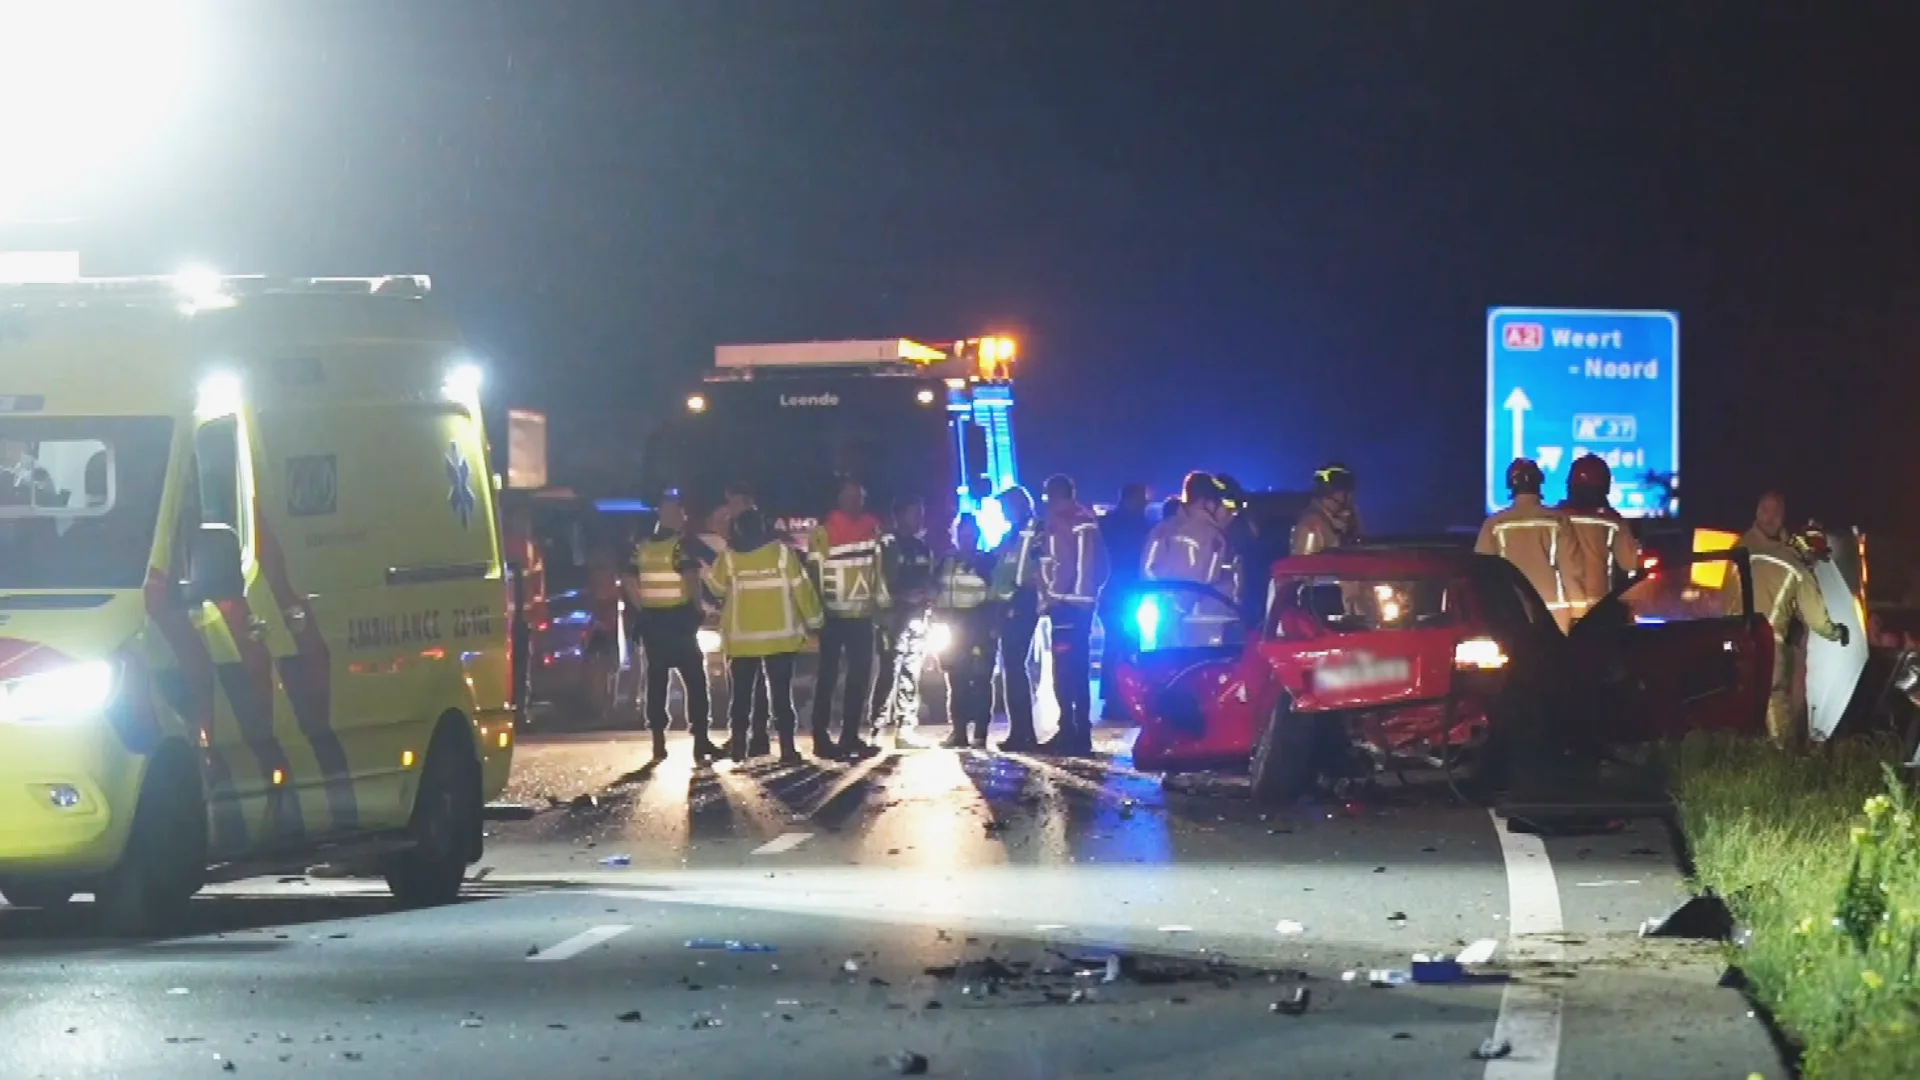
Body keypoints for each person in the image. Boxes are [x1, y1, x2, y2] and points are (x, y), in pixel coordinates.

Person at [1728, 492, 1849, 749]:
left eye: (1774, 511)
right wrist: (1837, 633)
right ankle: (1784, 767)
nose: (1770, 516)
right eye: (1766, 510)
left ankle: (1737, 760)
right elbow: (1817, 618)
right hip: (1769, 645)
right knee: (1775, 704)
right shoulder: (1791, 561)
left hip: (1734, 643)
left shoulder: (1738, 548)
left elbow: (1723, 597)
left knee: (1737, 703)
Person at [710, 508, 822, 764]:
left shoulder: (729, 557)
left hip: (742, 642)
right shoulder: (782, 553)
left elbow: (716, 588)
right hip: (780, 639)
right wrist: (816, 621)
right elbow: (802, 589)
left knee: (741, 698)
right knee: (781, 697)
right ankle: (787, 750)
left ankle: (739, 747)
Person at [628, 492, 719, 763]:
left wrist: (642, 607)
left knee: (656, 681)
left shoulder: (641, 547)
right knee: (695, 680)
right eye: (680, 513)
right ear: (671, 515)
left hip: (653, 623)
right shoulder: (681, 546)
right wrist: (698, 608)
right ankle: (700, 741)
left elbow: (627, 579)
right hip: (679, 622)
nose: (684, 518)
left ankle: (658, 741)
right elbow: (692, 579)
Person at [806, 477, 887, 760]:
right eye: (850, 497)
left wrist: (880, 606)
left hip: (861, 616)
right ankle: (821, 737)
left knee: (859, 678)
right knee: (827, 677)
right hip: (832, 616)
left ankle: (850, 735)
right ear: (840, 500)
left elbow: (878, 570)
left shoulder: (872, 528)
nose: (855, 501)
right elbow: (813, 575)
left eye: (859, 497)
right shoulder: (823, 533)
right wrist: (815, 614)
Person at [1037, 474, 1109, 757]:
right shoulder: (1088, 520)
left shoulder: (1059, 522)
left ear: (1053, 496)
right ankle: (1082, 732)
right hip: (1083, 606)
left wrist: (1051, 596)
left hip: (1064, 606)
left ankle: (1068, 729)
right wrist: (1090, 595)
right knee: (1078, 670)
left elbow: (1061, 564)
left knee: (1063, 670)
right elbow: (1103, 564)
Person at [1476, 458, 1581, 632]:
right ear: (1539, 483)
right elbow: (1571, 568)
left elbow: (1482, 570)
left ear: (1511, 484)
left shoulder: (1494, 524)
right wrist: (1579, 611)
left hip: (1511, 609)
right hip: (1555, 611)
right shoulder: (1558, 520)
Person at [1143, 471, 1240, 645]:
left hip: (1161, 611)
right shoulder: (1212, 535)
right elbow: (1209, 578)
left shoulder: (1162, 528)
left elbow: (1147, 568)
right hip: (1199, 622)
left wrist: (1165, 601)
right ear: (1207, 502)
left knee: (1160, 663)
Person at [871, 494, 936, 745]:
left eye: (920, 512)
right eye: (914, 512)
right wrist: (901, 597)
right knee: (889, 672)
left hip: (918, 619)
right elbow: (880, 583)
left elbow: (930, 577)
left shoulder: (922, 547)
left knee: (911, 672)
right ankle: (877, 728)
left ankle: (905, 729)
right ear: (899, 516)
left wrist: (930, 592)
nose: (919, 517)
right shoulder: (887, 546)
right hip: (893, 620)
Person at [933, 513, 1002, 748]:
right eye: (962, 534)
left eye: (971, 534)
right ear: (955, 535)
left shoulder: (987, 561)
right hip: (953, 626)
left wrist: (992, 627)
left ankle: (980, 733)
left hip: (979, 625)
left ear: (977, 536)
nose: (967, 539)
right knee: (956, 679)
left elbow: (996, 595)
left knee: (982, 680)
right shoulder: (946, 561)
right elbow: (936, 591)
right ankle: (959, 732)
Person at [990, 485, 1045, 752]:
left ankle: (1024, 733)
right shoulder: (1010, 535)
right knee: (1012, 668)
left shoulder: (1034, 530)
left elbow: (1037, 567)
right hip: (1009, 606)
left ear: (1021, 505)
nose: (1004, 512)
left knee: (1015, 667)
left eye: (1006, 506)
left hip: (1024, 604)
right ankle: (1020, 731)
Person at [1559, 454, 1641, 622]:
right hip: (1601, 609)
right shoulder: (1613, 521)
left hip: (1562, 611)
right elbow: (1630, 563)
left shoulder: (1555, 518)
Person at [1097, 483, 1152, 720]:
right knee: (1128, 646)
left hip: (1112, 594)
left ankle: (1113, 697)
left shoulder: (1107, 524)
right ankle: (1125, 697)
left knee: (1115, 646)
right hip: (1129, 593)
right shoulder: (1141, 526)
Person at [1291, 463, 1362, 554]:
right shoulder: (1311, 525)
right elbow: (1303, 564)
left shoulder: (1350, 519)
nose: (1349, 497)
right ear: (1328, 492)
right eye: (1344, 492)